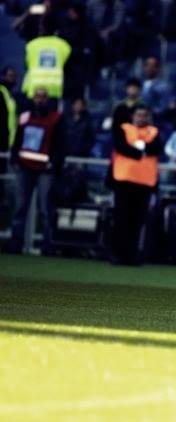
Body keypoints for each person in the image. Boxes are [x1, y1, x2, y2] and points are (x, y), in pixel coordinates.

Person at [5, 88, 65, 255]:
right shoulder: (25, 117)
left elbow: (61, 144)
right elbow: (17, 139)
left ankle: (48, 244)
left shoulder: (55, 118)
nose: (39, 100)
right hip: (25, 167)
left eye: (43, 97)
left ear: (47, 99)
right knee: (20, 206)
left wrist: (54, 163)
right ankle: (16, 242)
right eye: (37, 96)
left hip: (45, 169)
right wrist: (15, 159)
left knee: (45, 208)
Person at [110, 104, 162, 265]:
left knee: (137, 221)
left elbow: (156, 148)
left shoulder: (154, 131)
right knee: (121, 219)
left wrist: (138, 148)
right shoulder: (124, 128)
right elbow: (121, 147)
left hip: (144, 182)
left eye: (144, 115)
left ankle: (132, 255)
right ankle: (118, 254)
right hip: (124, 180)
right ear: (132, 116)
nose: (141, 118)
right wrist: (142, 152)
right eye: (138, 115)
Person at [21, 20, 71, 102]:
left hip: (34, 86)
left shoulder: (31, 45)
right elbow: (67, 67)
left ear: (41, 28)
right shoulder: (64, 45)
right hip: (54, 87)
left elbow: (26, 65)